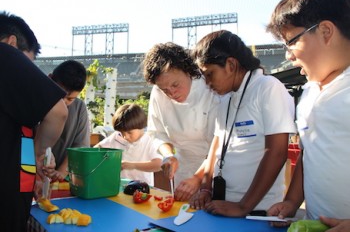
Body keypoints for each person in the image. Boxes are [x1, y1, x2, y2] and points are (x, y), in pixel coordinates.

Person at [265, 0, 350, 231]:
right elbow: (309, 152)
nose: (288, 55)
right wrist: (292, 201)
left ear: (325, 31)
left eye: (291, 41)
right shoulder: (310, 90)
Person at [189, 30, 296, 217]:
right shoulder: (225, 98)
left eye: (210, 74)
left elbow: (277, 152)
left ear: (231, 64)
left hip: (257, 210)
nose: (207, 83)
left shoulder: (268, 88)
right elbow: (216, 146)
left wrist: (243, 206)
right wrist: (206, 188)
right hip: (222, 205)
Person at [0, 11, 68, 231]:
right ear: (12, 42)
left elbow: (17, 134)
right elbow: (58, 112)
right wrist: (40, 153)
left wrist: (32, 173)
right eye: (26, 61)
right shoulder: (5, 54)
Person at [142, 42, 222, 201]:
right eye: (165, 90)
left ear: (188, 71)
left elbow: (220, 143)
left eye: (175, 85)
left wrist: (199, 178)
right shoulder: (158, 92)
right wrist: (168, 155)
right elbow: (157, 132)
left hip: (217, 167)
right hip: (184, 170)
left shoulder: (209, 87)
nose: (171, 92)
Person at [94, 103, 162, 186]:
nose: (125, 136)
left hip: (142, 190)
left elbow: (158, 165)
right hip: (118, 187)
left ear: (141, 127)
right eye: (122, 132)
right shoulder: (116, 136)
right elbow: (96, 149)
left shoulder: (150, 139)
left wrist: (133, 165)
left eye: (129, 132)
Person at [49, 60, 90, 182]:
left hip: (62, 178)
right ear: (50, 79)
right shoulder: (37, 101)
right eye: (59, 94)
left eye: (70, 99)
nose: (63, 102)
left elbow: (80, 146)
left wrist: (60, 173)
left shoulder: (79, 108)